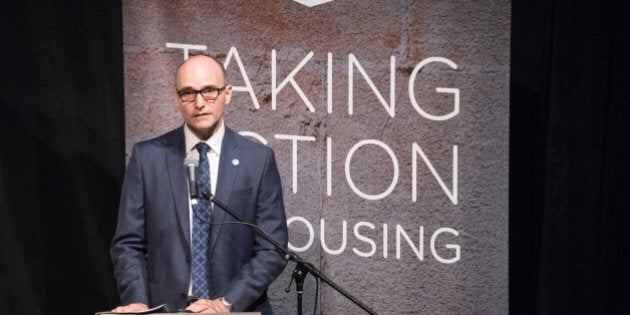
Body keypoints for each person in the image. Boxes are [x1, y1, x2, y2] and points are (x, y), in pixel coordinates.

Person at [110, 55, 288, 314]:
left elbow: (272, 249)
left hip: (236, 310)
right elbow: (128, 244)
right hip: (165, 309)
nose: (199, 102)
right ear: (176, 97)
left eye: (209, 91)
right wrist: (137, 301)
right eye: (189, 93)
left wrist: (226, 302)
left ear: (227, 93)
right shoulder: (148, 157)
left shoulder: (257, 160)